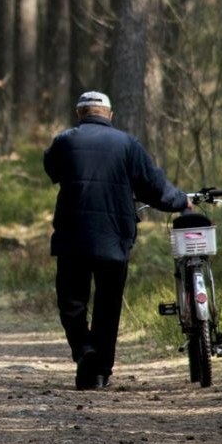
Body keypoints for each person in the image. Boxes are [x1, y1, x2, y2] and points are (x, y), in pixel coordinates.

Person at [43, 91, 191, 390]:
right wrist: (181, 202)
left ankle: (84, 350)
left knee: (71, 301)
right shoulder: (127, 144)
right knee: (108, 306)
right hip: (114, 237)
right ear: (109, 115)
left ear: (79, 113)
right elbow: (154, 187)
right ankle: (99, 374)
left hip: (73, 236)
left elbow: (52, 170)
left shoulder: (64, 141)